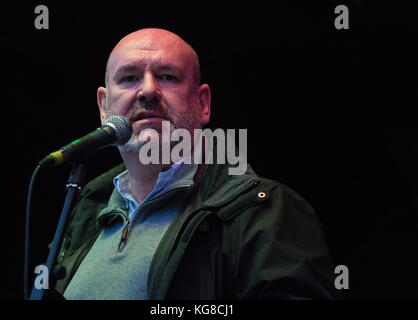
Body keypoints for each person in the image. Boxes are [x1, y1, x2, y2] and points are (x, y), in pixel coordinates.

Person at [52, 28, 338, 299]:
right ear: (104, 107)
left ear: (203, 103)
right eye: (129, 77)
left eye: (167, 76)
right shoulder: (83, 213)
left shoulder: (264, 211)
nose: (148, 90)